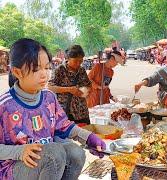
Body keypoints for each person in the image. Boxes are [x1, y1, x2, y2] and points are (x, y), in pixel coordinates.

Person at [0, 38, 105, 180]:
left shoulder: (49, 97)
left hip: (47, 163)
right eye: (36, 69)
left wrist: (89, 137)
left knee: (76, 153)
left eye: (47, 67)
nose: (44, 74)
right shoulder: (5, 106)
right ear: (17, 72)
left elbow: (64, 126)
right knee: (54, 153)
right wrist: (19, 151)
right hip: (14, 167)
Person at [48, 45, 91, 124]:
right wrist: (69, 89)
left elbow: (88, 84)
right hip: (65, 112)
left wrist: (86, 90)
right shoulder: (60, 70)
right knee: (68, 134)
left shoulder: (81, 70)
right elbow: (50, 87)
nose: (78, 64)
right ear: (67, 58)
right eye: (75, 61)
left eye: (80, 61)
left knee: (85, 133)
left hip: (81, 111)